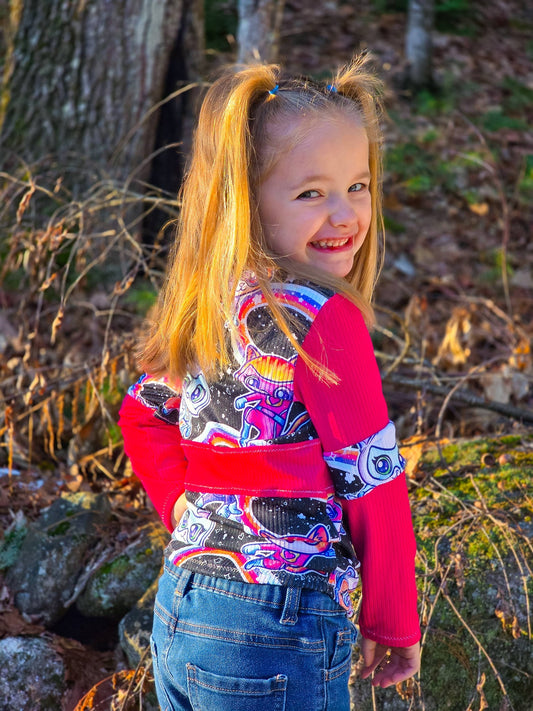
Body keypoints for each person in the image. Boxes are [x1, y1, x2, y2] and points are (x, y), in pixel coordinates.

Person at [119, 53, 421, 711]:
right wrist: (394, 620)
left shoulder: (210, 302)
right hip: (277, 624)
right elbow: (371, 478)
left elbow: (143, 413)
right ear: (246, 201)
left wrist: (183, 508)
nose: (344, 214)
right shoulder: (322, 319)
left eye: (358, 186)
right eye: (311, 193)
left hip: (183, 606)